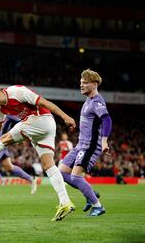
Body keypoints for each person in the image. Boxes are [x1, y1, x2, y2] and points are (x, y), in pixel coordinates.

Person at [0, 80, 76, 221]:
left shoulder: (17, 92)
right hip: (43, 129)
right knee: (48, 165)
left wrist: (65, 116)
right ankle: (65, 202)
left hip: (41, 119)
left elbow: (44, 103)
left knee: (6, 138)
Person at [59, 69, 111, 217]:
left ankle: (98, 206)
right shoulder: (88, 101)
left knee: (76, 177)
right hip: (80, 145)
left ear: (94, 85)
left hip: (90, 146)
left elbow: (107, 119)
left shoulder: (97, 101)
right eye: (80, 82)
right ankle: (90, 193)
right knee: (61, 172)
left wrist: (104, 141)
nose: (81, 85)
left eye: (85, 83)